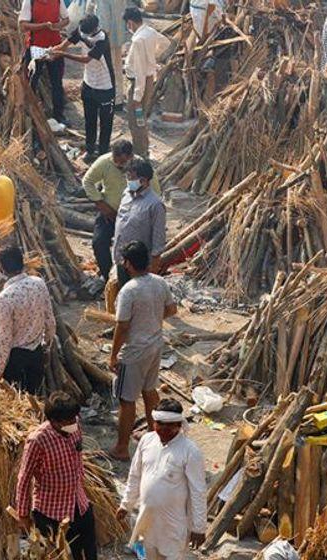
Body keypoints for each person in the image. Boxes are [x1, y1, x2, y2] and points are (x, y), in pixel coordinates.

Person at [108, 241, 176, 461]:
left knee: (127, 401)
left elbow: (122, 326)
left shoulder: (129, 291)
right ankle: (156, 438)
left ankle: (121, 448)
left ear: (128, 263)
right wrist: (153, 320)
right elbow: (172, 309)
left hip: (134, 351)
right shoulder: (159, 283)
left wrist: (113, 355)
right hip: (155, 345)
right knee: (149, 391)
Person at [118, 399, 206, 559]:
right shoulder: (146, 440)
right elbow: (135, 475)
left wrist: (198, 528)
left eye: (170, 425)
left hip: (173, 524)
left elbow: (198, 492)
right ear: (154, 422)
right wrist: (126, 504)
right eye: (160, 424)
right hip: (147, 520)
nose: (164, 429)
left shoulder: (190, 451)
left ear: (179, 425)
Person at [16, 392, 98, 560]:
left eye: (74, 418)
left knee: (88, 552)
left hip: (79, 504)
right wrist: (23, 515)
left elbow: (77, 456)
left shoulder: (74, 427)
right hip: (51, 512)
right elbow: (24, 478)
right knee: (58, 555)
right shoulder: (38, 441)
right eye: (68, 421)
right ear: (54, 421)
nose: (74, 423)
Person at [82, 141, 163, 281]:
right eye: (116, 161)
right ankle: (108, 277)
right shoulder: (104, 162)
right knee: (99, 242)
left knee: (133, 250)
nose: (118, 165)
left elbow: (154, 193)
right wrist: (102, 204)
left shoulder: (141, 167)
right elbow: (87, 181)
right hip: (109, 212)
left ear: (130, 157)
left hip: (135, 216)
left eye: (122, 162)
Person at [0, 246, 56, 395]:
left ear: (2, 268)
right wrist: (47, 343)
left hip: (17, 359)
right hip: (36, 353)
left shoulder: (6, 296)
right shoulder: (39, 283)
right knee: (33, 398)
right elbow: (50, 319)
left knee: (15, 404)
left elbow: (4, 337)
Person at [51, 15, 115, 160]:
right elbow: (64, 44)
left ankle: (103, 154)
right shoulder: (81, 30)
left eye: (86, 34)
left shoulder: (102, 39)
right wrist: (51, 51)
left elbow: (86, 59)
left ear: (95, 28)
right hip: (88, 84)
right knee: (89, 120)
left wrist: (62, 54)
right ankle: (90, 149)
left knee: (106, 124)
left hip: (105, 87)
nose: (83, 36)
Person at [122, 7, 169, 157]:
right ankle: (144, 148)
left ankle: (140, 153)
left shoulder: (138, 40)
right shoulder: (149, 31)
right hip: (148, 80)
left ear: (130, 23)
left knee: (135, 121)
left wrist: (136, 97)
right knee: (141, 119)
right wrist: (153, 58)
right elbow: (165, 43)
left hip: (139, 83)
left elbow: (139, 72)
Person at [112, 158, 165, 287]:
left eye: (131, 177)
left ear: (144, 180)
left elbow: (158, 238)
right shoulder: (126, 195)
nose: (128, 180)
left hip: (139, 266)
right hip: (121, 258)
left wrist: (153, 268)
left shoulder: (155, 205)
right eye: (127, 176)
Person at [19, 0, 69, 125]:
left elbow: (66, 19)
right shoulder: (30, 2)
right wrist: (43, 26)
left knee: (57, 82)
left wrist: (58, 26)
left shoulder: (58, 1)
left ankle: (59, 115)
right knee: (32, 82)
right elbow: (23, 25)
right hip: (36, 46)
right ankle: (30, 116)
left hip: (54, 46)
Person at [95, 0, 126, 106]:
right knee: (117, 68)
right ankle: (118, 98)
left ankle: (111, 99)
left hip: (107, 41)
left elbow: (104, 25)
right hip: (119, 37)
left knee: (108, 70)